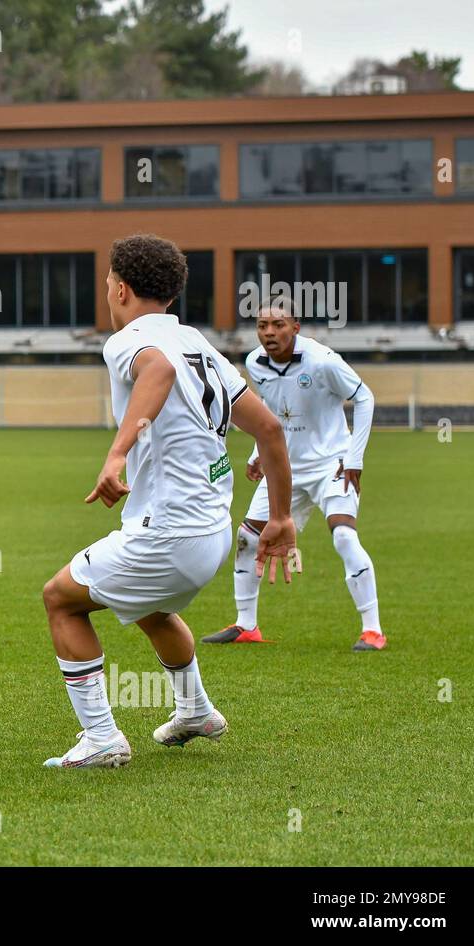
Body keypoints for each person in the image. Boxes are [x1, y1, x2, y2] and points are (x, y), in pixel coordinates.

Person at [40, 235, 296, 769]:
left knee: (61, 599)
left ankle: (103, 739)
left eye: (109, 283)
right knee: (151, 608)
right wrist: (280, 517)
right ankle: (196, 711)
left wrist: (116, 455)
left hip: (169, 532)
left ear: (123, 289)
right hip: (213, 535)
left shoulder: (129, 339)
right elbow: (270, 429)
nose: (107, 292)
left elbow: (156, 372)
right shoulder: (199, 344)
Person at [201, 298, 382, 651]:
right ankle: (246, 625)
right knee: (247, 538)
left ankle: (372, 630)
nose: (269, 332)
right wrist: (258, 452)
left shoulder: (323, 361)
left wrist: (354, 457)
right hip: (283, 468)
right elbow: (270, 410)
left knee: (344, 536)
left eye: (278, 325)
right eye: (262, 326)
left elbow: (365, 398)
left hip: (332, 465)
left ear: (296, 327)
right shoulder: (255, 362)